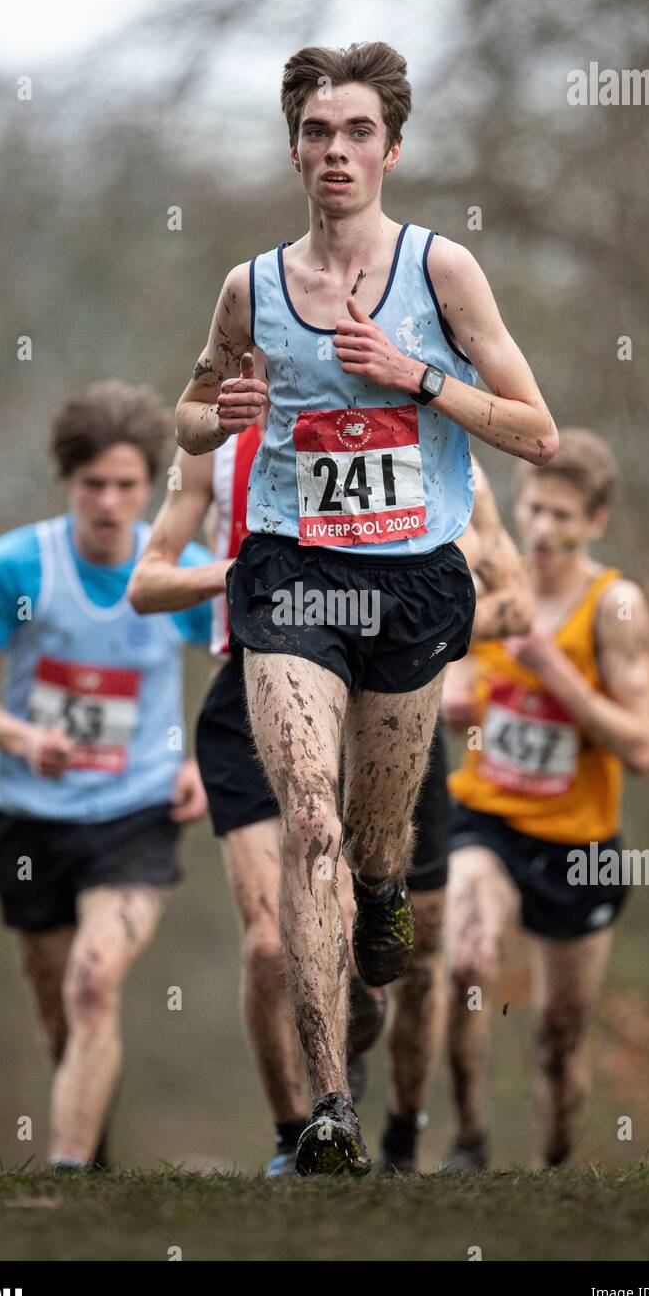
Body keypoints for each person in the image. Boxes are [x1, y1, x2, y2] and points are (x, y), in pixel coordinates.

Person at [176, 41, 557, 1174]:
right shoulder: (251, 286)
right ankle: (328, 1111)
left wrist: (418, 378)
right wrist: (221, 410)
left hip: (413, 579)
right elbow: (188, 416)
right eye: (315, 132)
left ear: (393, 146)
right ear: (292, 143)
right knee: (309, 819)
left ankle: (384, 897)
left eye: (356, 134)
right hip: (291, 570)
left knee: (378, 843)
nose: (334, 153)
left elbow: (536, 426)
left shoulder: (443, 272)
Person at [129, 385, 534, 1174]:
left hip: (388, 690)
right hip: (259, 682)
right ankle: (300, 1132)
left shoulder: (422, 443)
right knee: (270, 941)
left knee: (412, 946)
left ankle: (406, 1137)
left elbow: (514, 603)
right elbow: (144, 584)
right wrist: (247, 575)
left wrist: (406, 622)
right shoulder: (218, 446)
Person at [0, 381, 210, 1172]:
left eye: (127, 485)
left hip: (134, 815)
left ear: (150, 486)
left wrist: (205, 760)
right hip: (31, 821)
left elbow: (245, 683)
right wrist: (24, 737)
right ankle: (93, 1159)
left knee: (95, 983)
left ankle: (65, 1178)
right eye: (93, 484)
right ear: (66, 482)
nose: (109, 502)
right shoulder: (17, 566)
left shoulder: (181, 576)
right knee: (62, 1013)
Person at [442, 429, 649, 1171]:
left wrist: (554, 675)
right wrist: (454, 699)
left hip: (579, 844)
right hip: (488, 821)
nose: (540, 530)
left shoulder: (613, 606)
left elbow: (642, 745)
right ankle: (467, 1139)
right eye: (533, 509)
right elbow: (458, 691)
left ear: (593, 522)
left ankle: (555, 1170)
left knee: (558, 1036)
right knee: (466, 961)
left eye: (561, 516)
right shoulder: (489, 586)